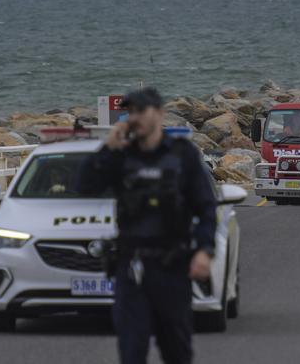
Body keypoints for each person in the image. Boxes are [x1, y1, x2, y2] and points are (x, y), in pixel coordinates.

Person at [76, 87, 217, 364]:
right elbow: (83, 186)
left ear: (159, 114)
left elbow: (205, 207)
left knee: (177, 351)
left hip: (172, 269)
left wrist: (204, 250)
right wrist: (107, 148)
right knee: (131, 351)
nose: (135, 117)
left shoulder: (182, 154)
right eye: (130, 112)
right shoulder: (120, 156)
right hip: (132, 270)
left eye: (141, 111)